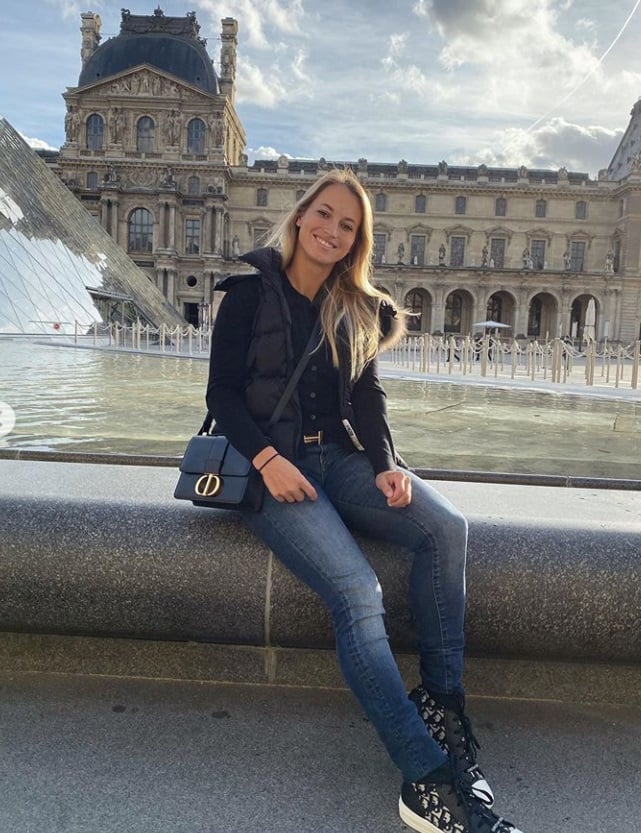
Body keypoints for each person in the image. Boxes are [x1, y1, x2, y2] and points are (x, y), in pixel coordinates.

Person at [206, 169, 524, 833]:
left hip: (340, 461)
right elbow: (222, 397)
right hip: (273, 472)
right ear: (300, 216)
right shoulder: (246, 294)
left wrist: (385, 465)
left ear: (357, 240)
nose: (332, 229)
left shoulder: (355, 305)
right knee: (357, 592)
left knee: (446, 528)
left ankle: (442, 705)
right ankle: (426, 774)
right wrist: (267, 461)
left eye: (347, 225)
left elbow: (366, 396)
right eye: (324, 214)